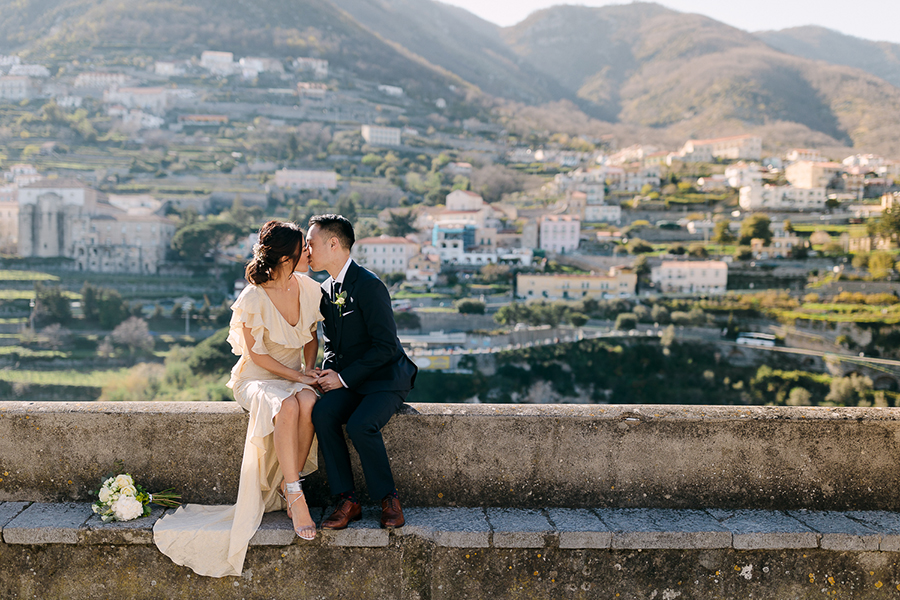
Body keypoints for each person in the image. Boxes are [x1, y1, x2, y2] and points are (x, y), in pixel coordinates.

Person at [154, 220, 323, 577]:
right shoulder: (253, 297)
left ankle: (289, 482)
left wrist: (309, 371)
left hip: (295, 375)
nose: (308, 254)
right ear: (284, 258)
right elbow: (256, 356)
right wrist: (297, 377)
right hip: (257, 379)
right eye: (301, 251)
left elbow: (310, 338)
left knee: (309, 402)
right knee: (286, 404)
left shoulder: (308, 288)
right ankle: (295, 494)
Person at [306, 214, 418, 530]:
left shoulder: (369, 285)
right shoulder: (324, 290)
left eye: (311, 243)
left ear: (333, 243)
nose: (307, 250)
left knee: (360, 424)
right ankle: (348, 500)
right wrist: (326, 374)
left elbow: (385, 346)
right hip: (351, 380)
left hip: (385, 378)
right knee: (323, 413)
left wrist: (342, 378)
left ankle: (388, 499)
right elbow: (333, 346)